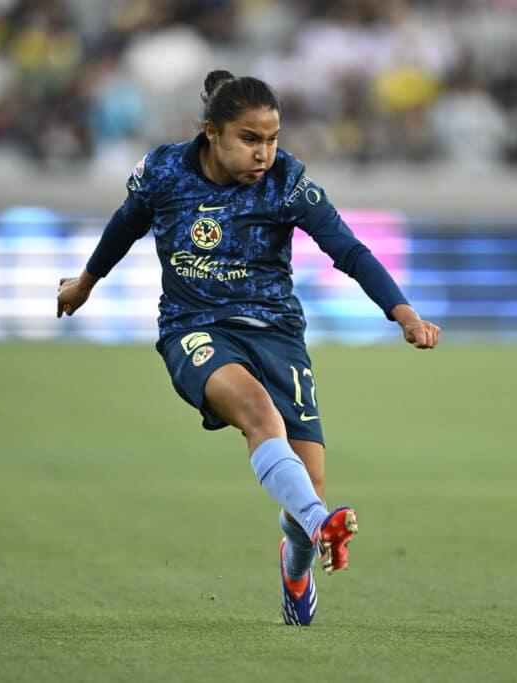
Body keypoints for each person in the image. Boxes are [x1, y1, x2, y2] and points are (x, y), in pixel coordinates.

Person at [56, 70, 440, 626]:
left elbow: (348, 250)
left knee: (305, 482)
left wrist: (403, 312)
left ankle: (298, 556)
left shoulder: (287, 182)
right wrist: (86, 282)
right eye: (250, 139)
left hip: (277, 334)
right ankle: (320, 522)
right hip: (195, 325)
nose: (265, 152)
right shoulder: (165, 171)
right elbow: (124, 224)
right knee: (259, 414)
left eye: (273, 138)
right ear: (212, 132)